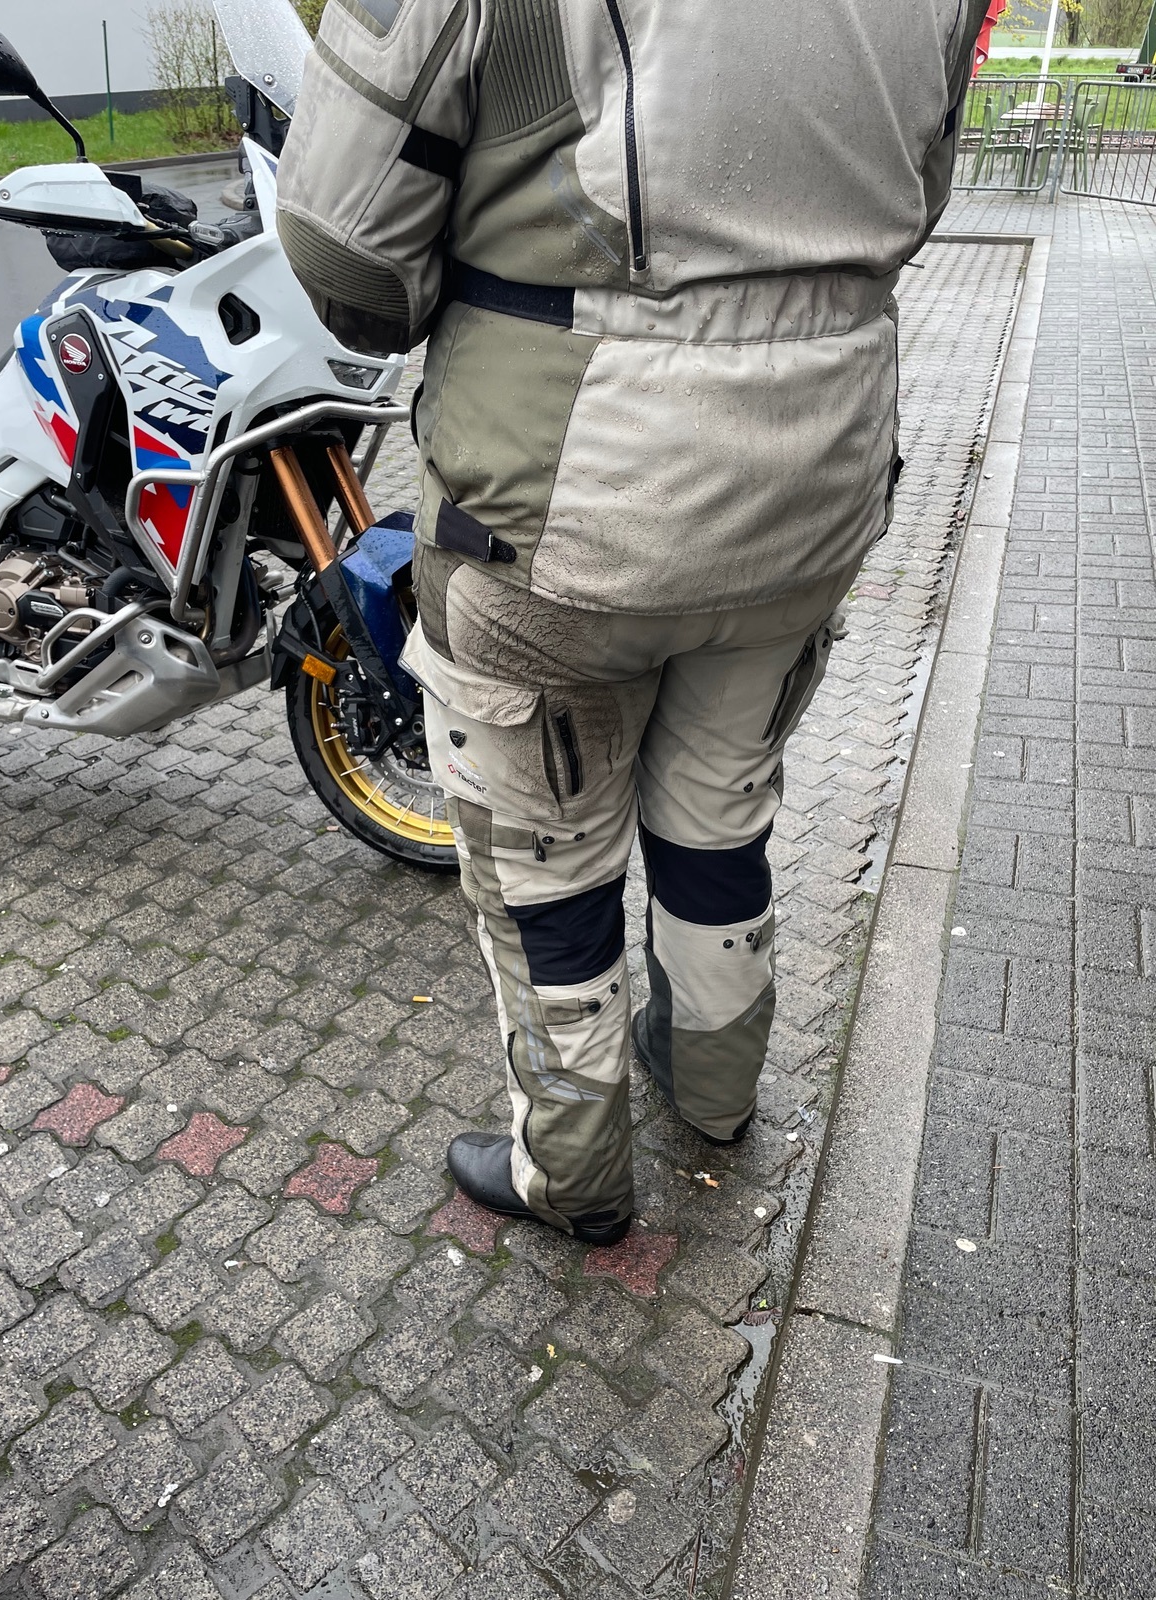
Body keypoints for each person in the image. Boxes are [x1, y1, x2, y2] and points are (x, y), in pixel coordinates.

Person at [277, 0, 991, 1246]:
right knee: (721, 803)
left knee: (546, 858)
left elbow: (349, 259)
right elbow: (916, 197)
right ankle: (714, 1094)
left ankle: (575, 1174)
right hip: (812, 485)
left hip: (562, 506)